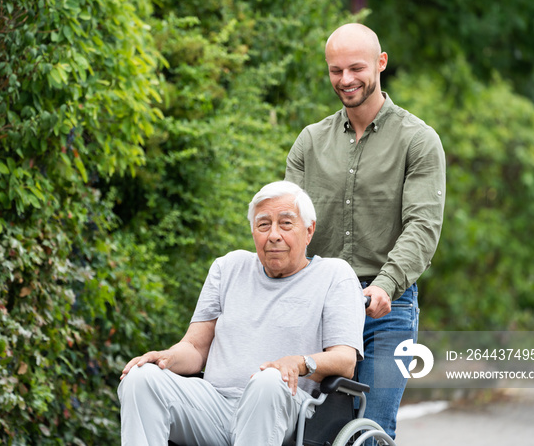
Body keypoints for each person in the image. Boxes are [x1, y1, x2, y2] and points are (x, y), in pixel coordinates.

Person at [285, 23, 446, 441]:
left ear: (381, 63)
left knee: (368, 433)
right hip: (318, 304)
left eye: (356, 68)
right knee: (306, 429)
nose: (346, 80)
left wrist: (386, 285)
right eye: (335, 71)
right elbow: (290, 227)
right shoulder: (309, 143)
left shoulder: (419, 141)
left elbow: (422, 226)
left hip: (386, 310)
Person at [118, 180, 365, 446]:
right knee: (141, 378)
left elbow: (345, 361)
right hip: (215, 405)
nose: (273, 235)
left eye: (285, 223)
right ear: (253, 232)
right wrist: (166, 357)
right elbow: (194, 348)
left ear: (309, 230)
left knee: (269, 380)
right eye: (263, 225)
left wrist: (299, 363)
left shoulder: (334, 275)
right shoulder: (228, 268)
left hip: (289, 409)